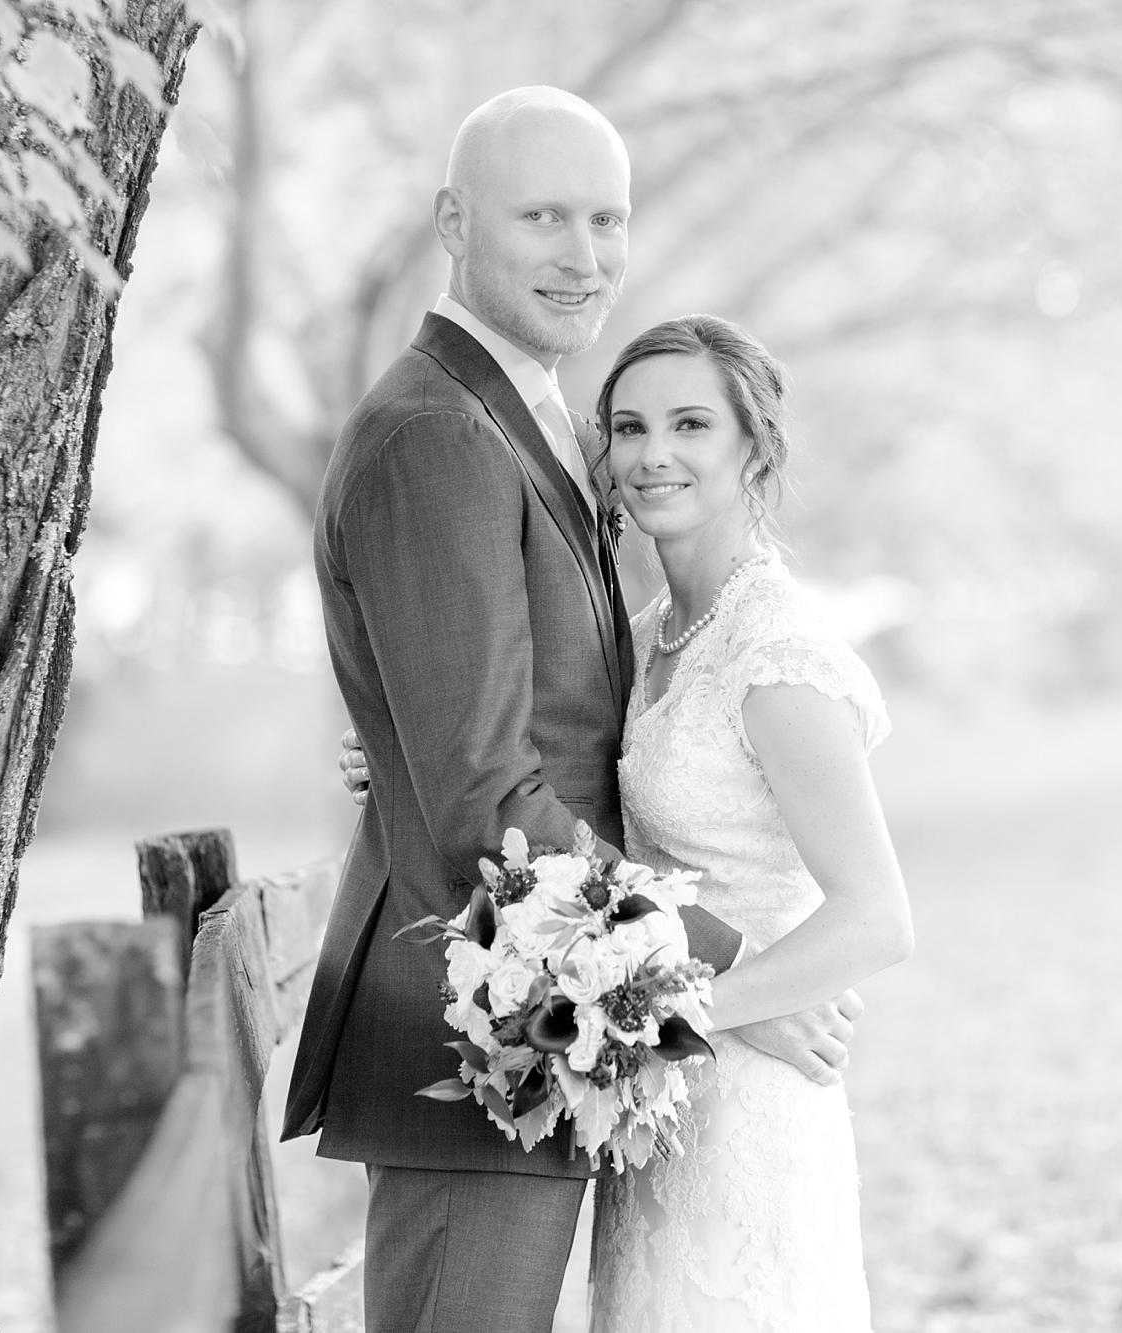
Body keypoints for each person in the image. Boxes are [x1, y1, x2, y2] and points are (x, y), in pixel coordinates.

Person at [285, 86, 868, 1333]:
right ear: (451, 222)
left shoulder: (526, 422)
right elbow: (485, 797)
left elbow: (522, 723)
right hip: (473, 1030)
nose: (583, 255)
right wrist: (722, 979)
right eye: (541, 215)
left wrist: (399, 752)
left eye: (606, 219)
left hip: (549, 1018)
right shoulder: (437, 433)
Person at [338, 315, 912, 1330]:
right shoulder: (638, 639)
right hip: (649, 1092)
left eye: (690, 423)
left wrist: (676, 1012)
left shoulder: (776, 654)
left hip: (744, 1089)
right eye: (627, 426)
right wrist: (394, 756)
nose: (651, 454)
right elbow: (522, 766)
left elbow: (875, 918)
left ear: (755, 445)